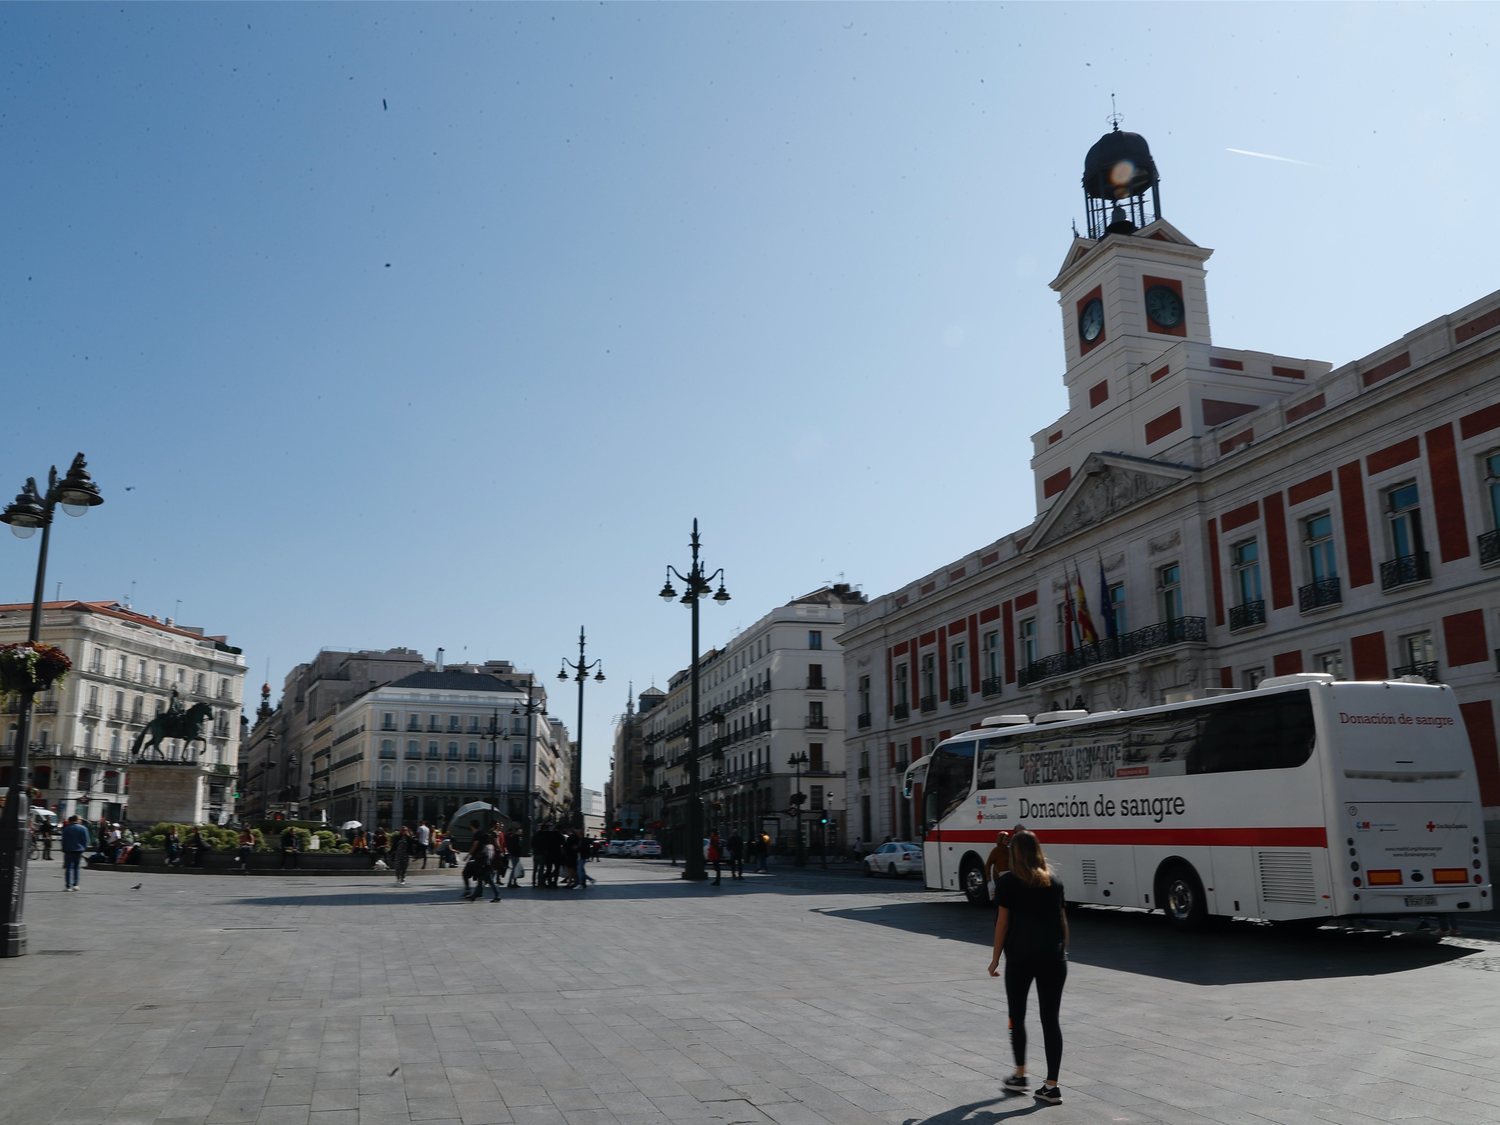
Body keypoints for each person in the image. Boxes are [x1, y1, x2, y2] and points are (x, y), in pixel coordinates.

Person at [988, 829, 1069, 1106]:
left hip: (1021, 959)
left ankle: (1021, 1075)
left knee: (1016, 1016)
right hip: (1054, 959)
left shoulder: (1007, 883)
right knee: (1051, 1020)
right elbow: (1062, 922)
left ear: (1014, 854)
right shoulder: (1054, 882)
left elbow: (1002, 924)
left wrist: (995, 958)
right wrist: (1062, 950)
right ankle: (1052, 1086)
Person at [464, 831, 501, 902]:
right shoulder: (491, 846)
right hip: (489, 866)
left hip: (485, 867)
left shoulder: (485, 847)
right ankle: (474, 897)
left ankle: (497, 896)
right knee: (481, 882)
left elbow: (484, 857)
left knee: (490, 883)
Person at [60, 814, 89, 891]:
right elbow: (86, 840)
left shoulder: (66, 828)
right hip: (79, 850)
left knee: (68, 868)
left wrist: (63, 848)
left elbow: (63, 840)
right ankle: (76, 885)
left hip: (68, 850)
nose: (81, 821)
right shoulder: (83, 828)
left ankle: (68, 886)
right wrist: (83, 848)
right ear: (77, 820)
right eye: (80, 819)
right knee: (77, 867)